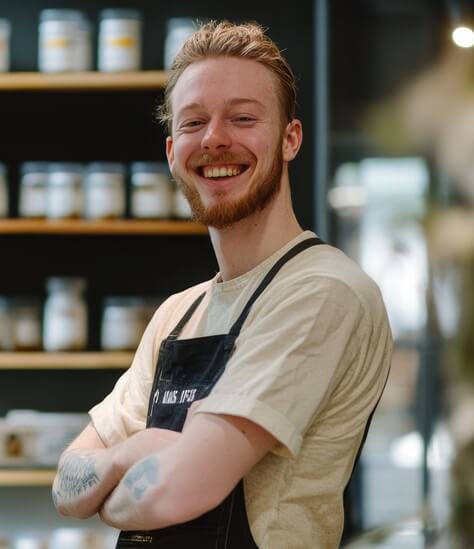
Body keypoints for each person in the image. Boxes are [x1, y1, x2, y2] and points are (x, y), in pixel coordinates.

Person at [52, 20, 392, 548]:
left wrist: (119, 473)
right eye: (193, 123)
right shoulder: (178, 313)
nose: (215, 138)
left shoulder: (322, 290)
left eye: (243, 117)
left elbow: (174, 494)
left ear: (290, 139)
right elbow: (65, 483)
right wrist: (125, 457)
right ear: (172, 153)